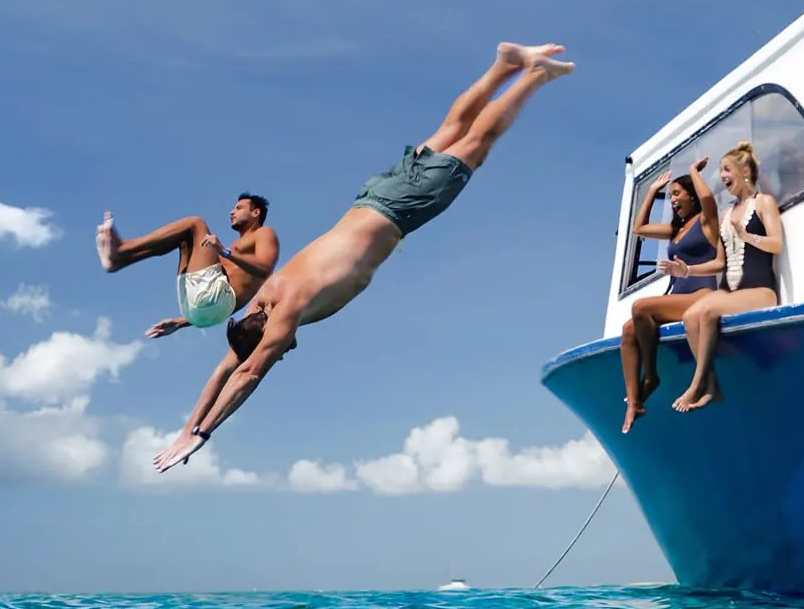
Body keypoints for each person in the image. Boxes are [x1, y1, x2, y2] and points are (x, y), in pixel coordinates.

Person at [151, 41, 576, 470]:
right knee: (452, 127)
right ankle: (503, 66)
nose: (286, 350)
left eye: (279, 350)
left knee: (477, 144)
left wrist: (204, 434)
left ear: (268, 336)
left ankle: (535, 74)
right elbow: (226, 368)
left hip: (397, 211)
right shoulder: (268, 296)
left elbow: (247, 372)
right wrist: (188, 427)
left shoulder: (288, 309)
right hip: (370, 196)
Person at [673, 140, 784, 413]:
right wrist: (687, 270)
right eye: (720, 171)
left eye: (726, 169)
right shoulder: (725, 215)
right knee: (689, 316)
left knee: (708, 311)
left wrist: (747, 236)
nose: (722, 176)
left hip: (759, 289)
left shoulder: (764, 203)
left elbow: (777, 244)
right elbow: (719, 262)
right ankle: (712, 387)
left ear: (745, 171)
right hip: (729, 290)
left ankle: (696, 384)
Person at [618, 156, 722, 433]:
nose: (673, 200)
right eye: (670, 195)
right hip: (677, 299)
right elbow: (639, 228)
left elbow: (709, 199)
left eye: (677, 194)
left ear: (691, 195)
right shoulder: (675, 230)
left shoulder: (707, 222)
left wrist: (692, 173)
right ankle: (634, 402)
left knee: (640, 307)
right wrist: (652, 192)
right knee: (628, 331)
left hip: (701, 294)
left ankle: (651, 377)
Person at [94, 193, 281, 336]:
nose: (232, 211)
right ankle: (119, 261)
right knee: (184, 240)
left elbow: (265, 269)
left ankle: (122, 249)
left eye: (239, 208)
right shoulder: (236, 250)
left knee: (195, 223)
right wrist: (180, 322)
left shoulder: (264, 233)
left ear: (255, 213)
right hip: (200, 311)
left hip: (217, 301)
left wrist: (224, 252)